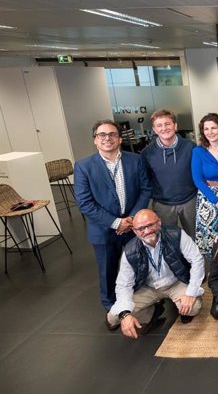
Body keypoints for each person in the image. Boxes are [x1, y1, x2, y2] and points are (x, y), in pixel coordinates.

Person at [74, 119, 151, 328]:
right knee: (108, 272)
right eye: (102, 135)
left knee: (137, 266)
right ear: (95, 140)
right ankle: (112, 310)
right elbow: (85, 203)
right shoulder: (83, 166)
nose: (107, 138)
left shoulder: (135, 160)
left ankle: (137, 305)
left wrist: (132, 219)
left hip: (133, 227)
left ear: (119, 138)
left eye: (112, 134)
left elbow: (145, 189)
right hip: (104, 230)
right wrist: (116, 223)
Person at [107, 209, 204, 339]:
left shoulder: (176, 235)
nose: (147, 231)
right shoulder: (130, 250)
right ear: (135, 231)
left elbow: (197, 260)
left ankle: (177, 304)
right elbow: (124, 284)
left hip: (176, 282)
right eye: (141, 228)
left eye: (150, 225)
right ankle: (152, 312)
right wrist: (125, 314)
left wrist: (191, 293)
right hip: (148, 287)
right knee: (114, 317)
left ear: (159, 222)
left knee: (193, 308)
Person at [141, 109, 196, 239]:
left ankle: (195, 260)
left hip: (190, 201)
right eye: (159, 125)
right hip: (162, 205)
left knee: (194, 238)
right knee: (167, 239)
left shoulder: (191, 147)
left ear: (175, 126)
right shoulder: (146, 153)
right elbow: (146, 179)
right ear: (154, 130)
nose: (164, 128)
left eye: (167, 124)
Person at [191, 113, 218, 257]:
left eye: (214, 128)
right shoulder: (198, 151)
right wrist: (216, 201)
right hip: (208, 199)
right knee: (211, 239)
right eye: (206, 129)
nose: (210, 132)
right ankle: (215, 273)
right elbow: (198, 180)